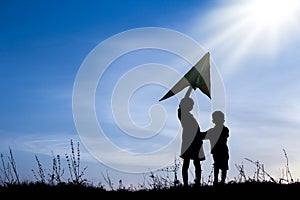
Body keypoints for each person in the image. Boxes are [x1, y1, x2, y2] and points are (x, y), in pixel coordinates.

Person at [177, 87, 205, 187]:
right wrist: (189, 89)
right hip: (189, 142)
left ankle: (197, 182)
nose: (191, 107)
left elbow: (197, 133)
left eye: (192, 105)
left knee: (196, 164)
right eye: (190, 105)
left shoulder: (190, 117)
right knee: (187, 164)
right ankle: (185, 184)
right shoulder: (183, 114)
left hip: (196, 142)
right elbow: (182, 103)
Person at [204, 110, 229, 186]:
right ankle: (217, 181)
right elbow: (203, 135)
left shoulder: (223, 130)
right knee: (218, 166)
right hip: (219, 151)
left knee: (221, 166)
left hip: (220, 151)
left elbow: (203, 136)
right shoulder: (222, 130)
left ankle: (221, 181)